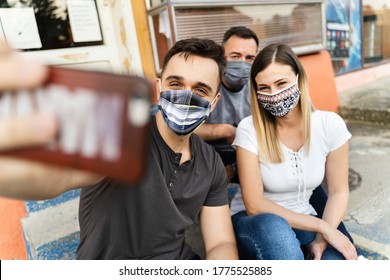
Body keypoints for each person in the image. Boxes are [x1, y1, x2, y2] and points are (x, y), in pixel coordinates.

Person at [0, 38, 238, 260]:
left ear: (214, 101)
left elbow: (221, 242)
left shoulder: (211, 163)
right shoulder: (120, 136)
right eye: (176, 83)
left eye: (200, 90)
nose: (185, 97)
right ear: (159, 87)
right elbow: (59, 176)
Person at [230, 43, 358, 260]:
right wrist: (324, 227)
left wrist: (321, 237)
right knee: (281, 239)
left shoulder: (330, 125)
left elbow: (338, 192)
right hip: (256, 222)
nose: (274, 94)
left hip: (304, 218)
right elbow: (254, 205)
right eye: (264, 88)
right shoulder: (249, 129)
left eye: (281, 83)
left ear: (299, 79)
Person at [196, 26, 258, 182]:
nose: (243, 64)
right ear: (221, 57)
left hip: (249, 154)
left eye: (249, 58)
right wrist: (225, 130)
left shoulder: (260, 84)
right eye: (235, 56)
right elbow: (182, 128)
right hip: (207, 155)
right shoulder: (203, 84)